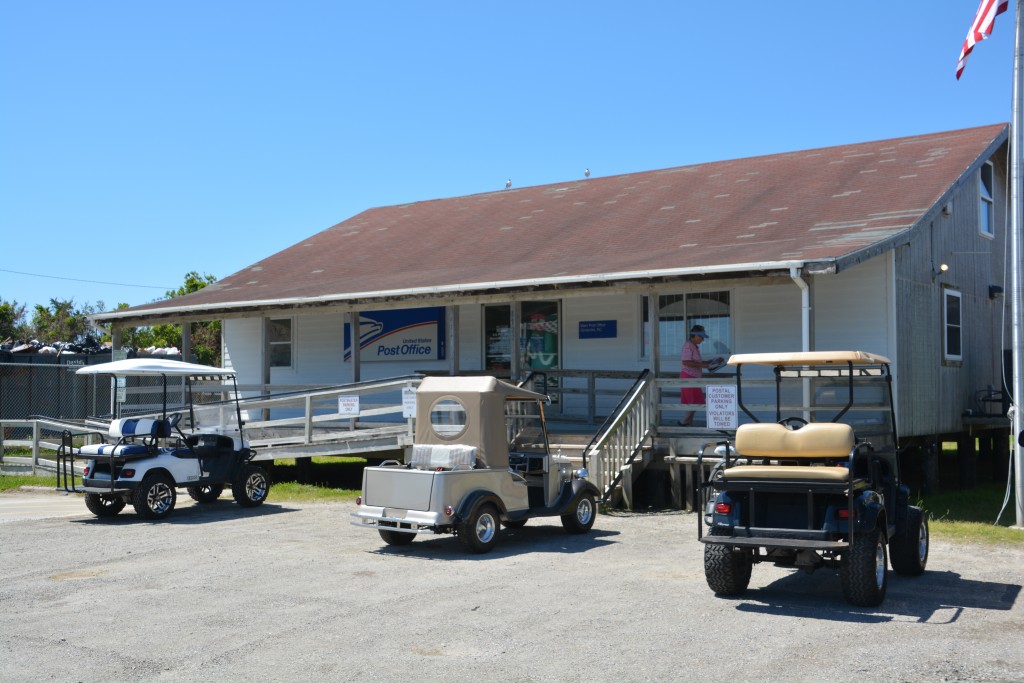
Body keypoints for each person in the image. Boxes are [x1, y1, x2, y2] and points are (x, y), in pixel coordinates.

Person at [679, 325, 723, 426]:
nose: (703, 340)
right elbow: (686, 362)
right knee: (694, 401)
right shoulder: (688, 345)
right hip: (688, 377)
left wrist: (712, 361)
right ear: (696, 336)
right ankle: (684, 421)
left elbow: (696, 362)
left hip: (693, 377)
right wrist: (705, 365)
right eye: (702, 337)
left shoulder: (694, 346)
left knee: (695, 401)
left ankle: (688, 422)